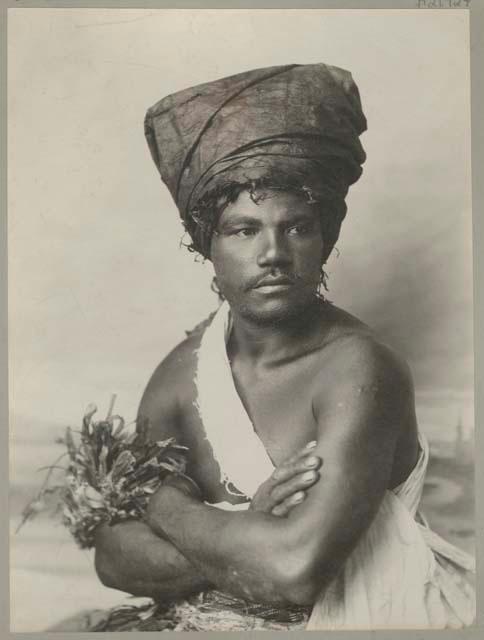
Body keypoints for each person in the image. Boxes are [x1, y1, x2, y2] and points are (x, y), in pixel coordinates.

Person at [89, 64, 475, 631]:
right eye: (244, 230)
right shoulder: (182, 376)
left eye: (296, 227)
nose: (273, 252)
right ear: (207, 247)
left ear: (323, 240)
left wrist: (165, 507)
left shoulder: (360, 368)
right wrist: (250, 532)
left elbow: (293, 570)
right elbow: (111, 557)